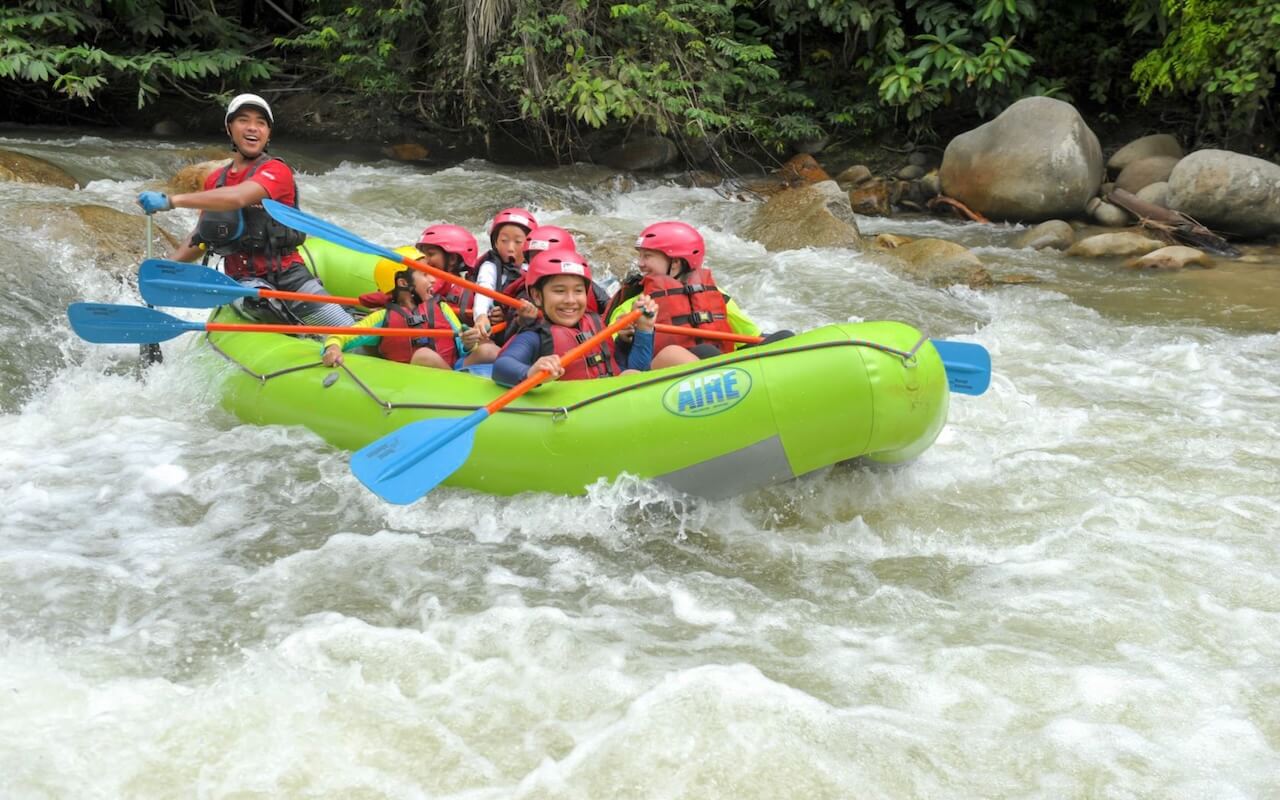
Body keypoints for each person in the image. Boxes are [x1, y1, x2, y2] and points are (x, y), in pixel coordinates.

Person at [137, 93, 354, 328]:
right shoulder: (215, 182)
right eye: (243, 120)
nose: (253, 128)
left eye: (261, 123)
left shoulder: (277, 171)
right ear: (229, 128)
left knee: (348, 332)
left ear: (268, 133)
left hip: (291, 275)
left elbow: (238, 197)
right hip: (243, 281)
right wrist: (167, 270)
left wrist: (172, 201)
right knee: (262, 303)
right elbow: (200, 235)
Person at [491, 248, 695, 386]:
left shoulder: (595, 324)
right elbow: (502, 366)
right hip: (577, 412)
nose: (571, 300)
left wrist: (644, 330)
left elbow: (633, 368)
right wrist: (532, 372)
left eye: (578, 291)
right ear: (536, 295)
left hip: (611, 399)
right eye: (560, 291)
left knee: (673, 353)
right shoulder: (536, 334)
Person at [606, 221, 786, 359]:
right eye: (640, 256)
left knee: (784, 337)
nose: (640, 263)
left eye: (648, 256)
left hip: (718, 373)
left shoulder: (715, 295)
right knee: (705, 351)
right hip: (661, 378)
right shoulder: (633, 303)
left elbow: (751, 337)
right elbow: (612, 355)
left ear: (676, 262)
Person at [321, 269, 497, 369]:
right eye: (425, 275)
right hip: (415, 376)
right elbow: (341, 335)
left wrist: (468, 343)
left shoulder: (441, 308)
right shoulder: (383, 318)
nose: (433, 279)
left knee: (489, 350)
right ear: (404, 284)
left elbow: (462, 346)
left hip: (454, 366)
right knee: (424, 355)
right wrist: (333, 349)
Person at [472, 207, 536, 335]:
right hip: (496, 330)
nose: (510, 248)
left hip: (521, 324)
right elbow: (484, 289)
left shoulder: (532, 269)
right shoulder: (490, 266)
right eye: (504, 241)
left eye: (518, 242)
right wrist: (481, 316)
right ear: (495, 243)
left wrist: (508, 315)